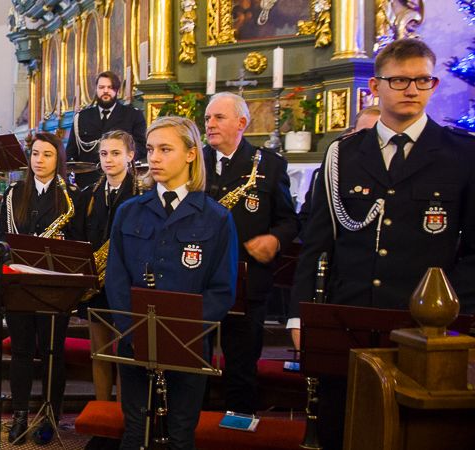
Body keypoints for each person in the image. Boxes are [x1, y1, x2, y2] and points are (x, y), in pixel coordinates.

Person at [290, 38, 475, 450]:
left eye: (422, 80)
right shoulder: (343, 154)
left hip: (427, 330)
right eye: (400, 80)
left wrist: (451, 313)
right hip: (350, 322)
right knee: (344, 429)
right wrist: (299, 317)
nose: (411, 89)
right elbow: (318, 244)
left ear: (433, 84)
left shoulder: (461, 155)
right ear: (376, 86)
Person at [105, 116, 238, 450]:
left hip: (188, 344)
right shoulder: (129, 211)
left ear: (191, 154)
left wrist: (182, 333)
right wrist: (131, 329)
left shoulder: (216, 217)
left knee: (180, 435)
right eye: (151, 149)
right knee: (136, 432)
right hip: (136, 341)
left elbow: (222, 289)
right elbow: (117, 278)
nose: (155, 158)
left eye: (166, 149)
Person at [201, 92, 298, 415]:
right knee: (193, 369)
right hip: (197, 282)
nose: (210, 124)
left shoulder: (269, 165)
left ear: (242, 123)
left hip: (248, 284)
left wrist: (274, 239)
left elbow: (288, 220)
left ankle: (237, 433)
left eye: (219, 118)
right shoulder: (193, 160)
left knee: (241, 370)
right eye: (207, 118)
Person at [0, 131, 79, 445]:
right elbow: (4, 235)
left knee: (52, 352)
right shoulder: (14, 192)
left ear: (58, 160)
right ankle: (19, 414)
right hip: (20, 283)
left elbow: (77, 242)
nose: (40, 160)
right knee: (20, 351)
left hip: (54, 284)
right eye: (35, 154)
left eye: (47, 155)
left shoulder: (69, 196)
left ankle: (50, 415)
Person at [71, 130, 143, 403]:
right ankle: (103, 414)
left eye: (115, 153)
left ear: (130, 156)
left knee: (127, 356)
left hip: (129, 287)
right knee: (99, 353)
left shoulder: (142, 194)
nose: (109, 160)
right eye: (103, 154)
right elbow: (78, 238)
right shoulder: (88, 195)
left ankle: (126, 421)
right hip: (97, 286)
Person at [298, 105, 381, 233]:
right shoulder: (331, 172)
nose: (372, 139)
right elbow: (309, 218)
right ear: (352, 133)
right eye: (365, 132)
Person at [65, 71, 148, 188]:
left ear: (117, 91)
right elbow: (71, 151)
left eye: (110, 87)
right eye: (101, 87)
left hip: (122, 180)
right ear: (96, 90)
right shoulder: (82, 117)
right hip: (87, 181)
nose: (105, 91)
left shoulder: (133, 115)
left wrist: (122, 159)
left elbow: (141, 146)